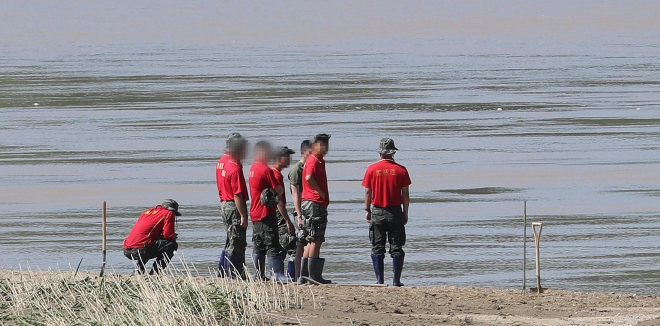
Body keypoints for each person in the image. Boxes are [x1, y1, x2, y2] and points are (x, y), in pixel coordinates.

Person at [361, 138, 411, 286]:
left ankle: (379, 281)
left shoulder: (371, 169)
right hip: (395, 211)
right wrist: (405, 212)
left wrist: (367, 209)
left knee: (377, 247)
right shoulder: (401, 170)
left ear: (380, 153)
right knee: (397, 248)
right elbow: (405, 195)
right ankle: (396, 281)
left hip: (377, 211)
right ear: (393, 152)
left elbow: (368, 192)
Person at [248, 141, 294, 282]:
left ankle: (259, 274)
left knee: (259, 244)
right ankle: (277, 274)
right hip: (266, 212)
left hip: (255, 211)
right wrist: (287, 220)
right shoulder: (265, 170)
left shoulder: (253, 168)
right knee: (272, 244)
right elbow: (278, 191)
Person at [216, 132, 249, 278]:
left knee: (230, 239)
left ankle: (223, 273)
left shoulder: (222, 161)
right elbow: (237, 194)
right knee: (237, 241)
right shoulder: (234, 167)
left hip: (224, 204)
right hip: (233, 205)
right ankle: (234, 274)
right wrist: (243, 215)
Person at [301, 133, 332, 284]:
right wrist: (319, 191)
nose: (325, 148)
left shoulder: (318, 160)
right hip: (314, 203)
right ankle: (314, 276)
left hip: (310, 203)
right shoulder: (313, 160)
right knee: (316, 239)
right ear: (314, 146)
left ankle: (303, 276)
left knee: (310, 240)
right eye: (322, 144)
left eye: (326, 144)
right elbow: (308, 178)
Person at [123, 199, 181, 275]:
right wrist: (173, 237)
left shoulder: (147, 212)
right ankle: (155, 273)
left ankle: (138, 271)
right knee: (172, 245)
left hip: (127, 250)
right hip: (141, 250)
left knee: (147, 243)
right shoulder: (169, 213)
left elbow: (145, 233)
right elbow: (168, 235)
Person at [272, 146, 298, 280]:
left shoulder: (275, 173)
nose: (289, 160)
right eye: (286, 156)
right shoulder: (275, 175)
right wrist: (287, 220)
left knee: (279, 247)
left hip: (274, 215)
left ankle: (280, 275)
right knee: (293, 246)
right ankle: (291, 277)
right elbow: (278, 201)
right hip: (278, 215)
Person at [288, 140, 312, 282]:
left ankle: (305, 275)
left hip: (309, 210)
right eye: (310, 153)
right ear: (303, 152)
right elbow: (295, 194)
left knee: (308, 241)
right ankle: (299, 276)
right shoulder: (297, 169)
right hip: (301, 211)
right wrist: (299, 215)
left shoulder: (309, 167)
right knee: (301, 243)